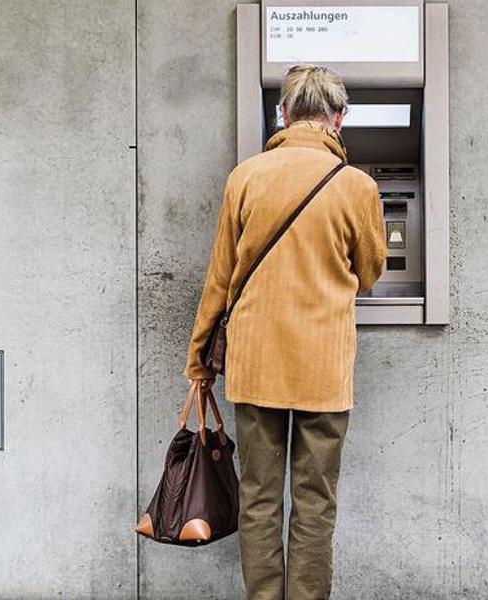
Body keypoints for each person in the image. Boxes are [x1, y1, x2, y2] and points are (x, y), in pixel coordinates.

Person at [183, 64, 387, 599]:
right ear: (338, 118)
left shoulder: (245, 177)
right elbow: (370, 271)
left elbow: (220, 278)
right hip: (322, 367)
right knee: (315, 500)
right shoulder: (358, 188)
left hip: (256, 366)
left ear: (283, 114)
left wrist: (199, 362)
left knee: (259, 497)